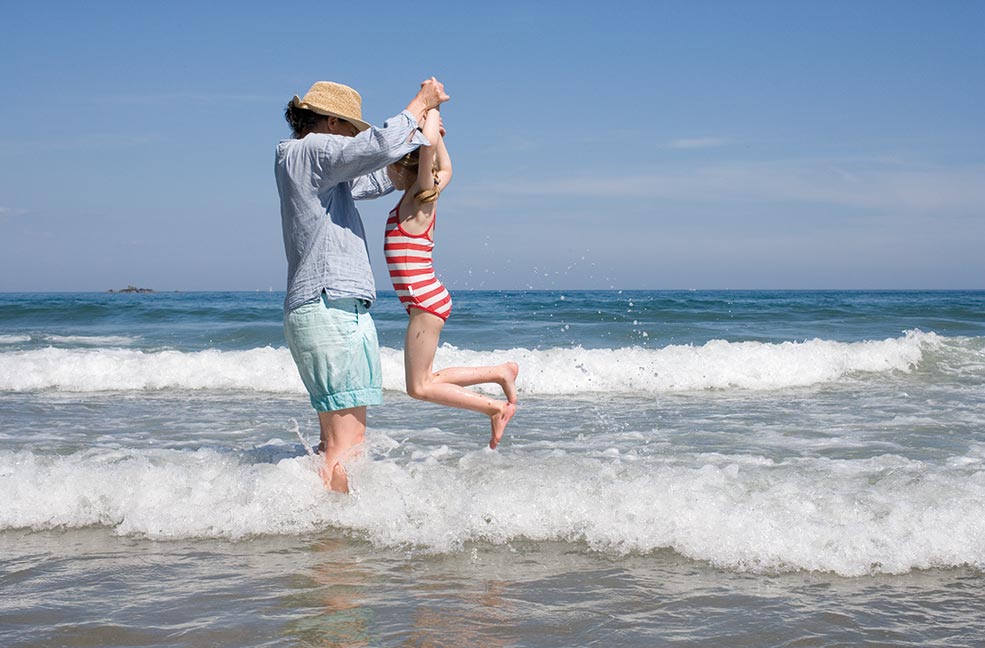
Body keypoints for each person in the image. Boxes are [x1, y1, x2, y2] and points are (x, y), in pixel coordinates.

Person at [275, 78, 449, 493]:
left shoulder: (313, 166)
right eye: (351, 130)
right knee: (346, 446)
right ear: (332, 121)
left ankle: (323, 535)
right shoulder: (310, 150)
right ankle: (337, 549)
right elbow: (372, 149)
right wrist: (418, 105)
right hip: (329, 306)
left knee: (334, 444)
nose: (354, 138)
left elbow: (380, 176)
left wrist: (423, 141)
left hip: (327, 308)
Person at [384, 107, 518, 449]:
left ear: (402, 168)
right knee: (427, 379)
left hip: (425, 302)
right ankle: (500, 372)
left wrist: (430, 117)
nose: (386, 173)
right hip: (428, 300)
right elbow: (446, 167)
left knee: (419, 387)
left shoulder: (417, 197)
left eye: (389, 166)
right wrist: (436, 123)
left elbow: (428, 153)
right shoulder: (422, 195)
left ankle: (494, 408)